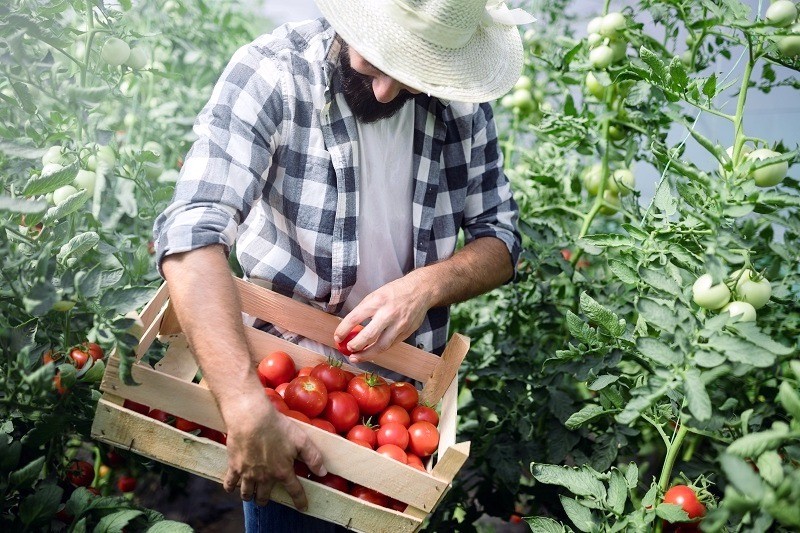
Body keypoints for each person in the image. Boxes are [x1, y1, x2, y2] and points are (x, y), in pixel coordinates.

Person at [152, 0, 533, 530]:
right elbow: (192, 233)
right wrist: (244, 405)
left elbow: (502, 238)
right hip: (287, 395)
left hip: (400, 404)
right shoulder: (274, 75)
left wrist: (426, 286)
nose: (386, 91)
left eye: (412, 77)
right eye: (378, 62)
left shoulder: (460, 105)